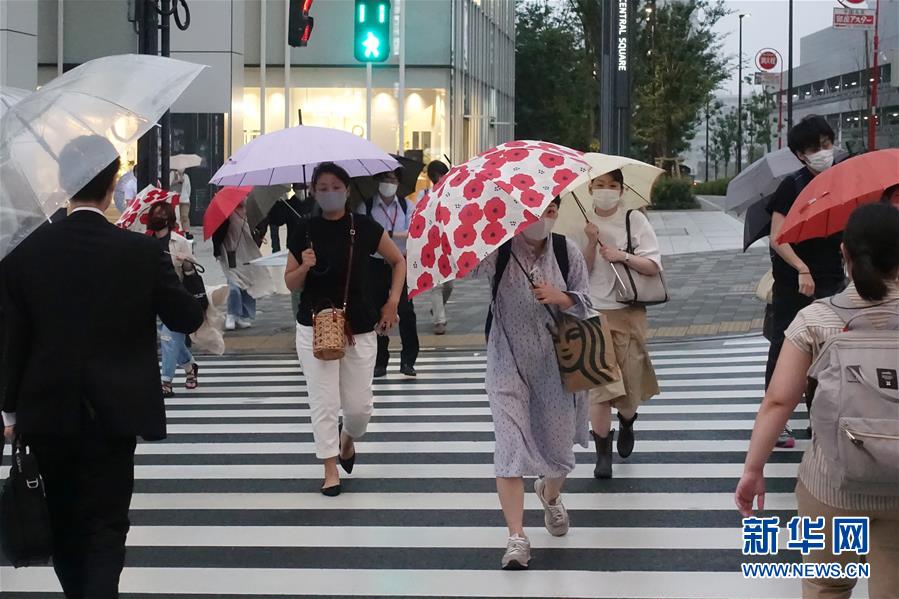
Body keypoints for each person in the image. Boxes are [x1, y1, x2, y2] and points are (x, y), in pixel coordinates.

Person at [0, 135, 204, 599]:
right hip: (115, 412)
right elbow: (187, 318)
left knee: (64, 518)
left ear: (61, 182)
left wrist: (9, 411)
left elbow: (13, 338)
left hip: (47, 410)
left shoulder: (24, 254)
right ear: (113, 185)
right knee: (108, 521)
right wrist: (185, 272)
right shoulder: (138, 253)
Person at [736, 203, 899, 599]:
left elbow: (778, 402)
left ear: (843, 253)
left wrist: (753, 469)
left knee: (827, 585)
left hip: (831, 484)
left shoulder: (817, 319)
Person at [476, 198, 593, 570]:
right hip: (506, 361)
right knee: (509, 447)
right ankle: (517, 536)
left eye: (551, 210)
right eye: (535, 210)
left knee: (557, 450)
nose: (544, 217)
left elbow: (588, 303)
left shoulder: (565, 249)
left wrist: (562, 297)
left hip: (556, 365)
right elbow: (469, 269)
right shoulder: (499, 250)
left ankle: (549, 492)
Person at [285, 162, 405, 496]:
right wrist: (305, 266)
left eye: (335, 186)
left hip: (359, 325)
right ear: (312, 191)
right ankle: (329, 468)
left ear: (347, 189)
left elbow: (398, 261)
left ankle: (347, 439)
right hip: (315, 325)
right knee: (323, 400)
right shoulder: (303, 230)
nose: (329, 193)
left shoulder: (364, 227)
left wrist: (392, 301)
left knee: (358, 408)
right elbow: (290, 282)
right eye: (321, 187)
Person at [573, 169, 661, 480]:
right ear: (590, 189)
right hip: (593, 312)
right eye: (599, 185)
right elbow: (575, 272)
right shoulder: (580, 223)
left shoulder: (633, 220)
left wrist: (620, 255)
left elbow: (652, 265)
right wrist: (590, 242)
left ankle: (627, 421)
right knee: (599, 390)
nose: (606, 191)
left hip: (629, 313)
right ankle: (602, 454)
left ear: (622, 190)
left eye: (612, 185)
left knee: (628, 391)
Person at [766, 115, 846, 448]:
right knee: (785, 348)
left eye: (827, 144)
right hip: (793, 283)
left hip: (832, 281)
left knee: (828, 351)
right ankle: (777, 423)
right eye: (815, 148)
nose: (823, 152)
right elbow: (777, 237)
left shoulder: (843, 182)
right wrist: (801, 268)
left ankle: (820, 419)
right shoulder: (792, 186)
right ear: (800, 154)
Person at [359, 168, 419, 377]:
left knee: (406, 311)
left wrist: (389, 234)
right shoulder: (365, 207)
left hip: (399, 265)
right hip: (374, 265)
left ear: (398, 183)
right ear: (377, 181)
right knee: (376, 312)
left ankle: (408, 361)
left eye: (392, 179)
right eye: (384, 178)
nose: (388, 182)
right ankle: (380, 361)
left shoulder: (406, 205)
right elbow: (360, 233)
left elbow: (414, 231)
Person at [146, 202, 200, 397]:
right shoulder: (145, 242)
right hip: (154, 299)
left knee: (169, 338)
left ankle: (165, 382)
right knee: (172, 340)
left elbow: (191, 273)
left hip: (176, 298)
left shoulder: (179, 241)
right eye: (154, 214)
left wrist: (185, 260)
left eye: (160, 214)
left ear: (168, 219)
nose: (156, 217)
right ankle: (190, 367)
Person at [213, 200, 274, 331]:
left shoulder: (250, 213)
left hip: (246, 252)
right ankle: (231, 314)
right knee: (234, 285)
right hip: (230, 252)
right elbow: (217, 233)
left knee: (247, 284)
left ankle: (240, 316)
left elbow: (261, 226)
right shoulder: (227, 212)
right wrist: (216, 250)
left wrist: (258, 233)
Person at [420, 160, 453, 335]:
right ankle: (439, 321)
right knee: (436, 285)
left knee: (449, 285)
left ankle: (437, 308)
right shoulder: (424, 194)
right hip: (430, 243)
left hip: (448, 244)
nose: (439, 178)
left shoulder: (452, 193)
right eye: (436, 175)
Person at [170, 169, 193, 239]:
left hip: (184, 199)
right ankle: (176, 231)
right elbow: (168, 184)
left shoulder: (186, 176)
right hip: (174, 198)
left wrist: (187, 197)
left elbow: (188, 188)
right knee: (175, 216)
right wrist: (177, 181)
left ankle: (186, 232)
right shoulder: (172, 174)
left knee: (184, 216)